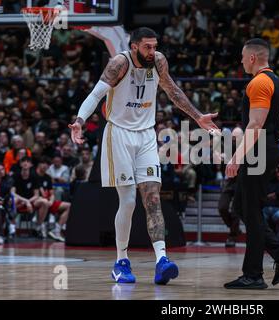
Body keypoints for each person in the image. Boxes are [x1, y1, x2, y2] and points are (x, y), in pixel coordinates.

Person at [69, 27, 219, 284]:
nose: (153, 51)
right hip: (119, 135)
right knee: (128, 201)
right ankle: (121, 262)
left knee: (152, 198)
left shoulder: (159, 61)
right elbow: (96, 94)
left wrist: (197, 116)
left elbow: (173, 91)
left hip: (147, 135)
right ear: (135, 46)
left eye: (155, 45)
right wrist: (80, 120)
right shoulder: (120, 63)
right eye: (148, 46)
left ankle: (162, 260)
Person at [224, 38, 279, 289]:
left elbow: (255, 126)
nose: (241, 61)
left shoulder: (260, 82)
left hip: (259, 150)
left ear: (253, 57)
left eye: (243, 57)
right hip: (263, 149)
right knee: (242, 209)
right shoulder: (273, 80)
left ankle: (254, 274)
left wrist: (236, 158)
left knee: (251, 211)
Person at [12, 157, 50, 238]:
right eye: (23, 161)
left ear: (31, 165)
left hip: (31, 200)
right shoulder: (16, 175)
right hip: (19, 200)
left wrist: (28, 201)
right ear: (20, 164)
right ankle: (11, 227)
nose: (25, 163)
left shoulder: (34, 176)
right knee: (13, 200)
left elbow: (36, 195)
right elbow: (12, 193)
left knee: (45, 202)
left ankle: (38, 226)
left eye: (28, 162)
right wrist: (26, 201)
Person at [35, 160, 71, 242]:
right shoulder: (34, 176)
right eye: (43, 163)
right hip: (37, 201)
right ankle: (39, 226)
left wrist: (51, 201)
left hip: (48, 201)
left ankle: (57, 229)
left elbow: (52, 193)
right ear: (39, 164)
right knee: (44, 202)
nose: (45, 165)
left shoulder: (48, 177)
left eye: (47, 164)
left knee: (69, 206)